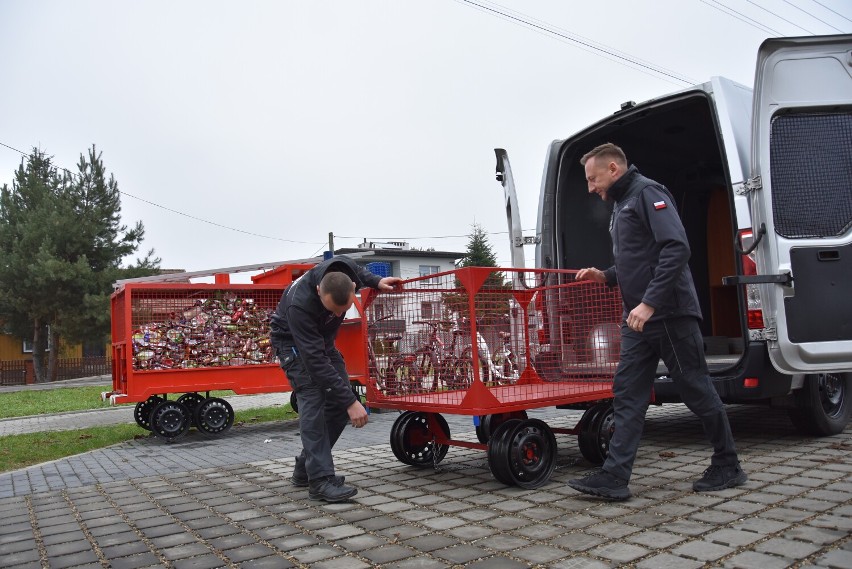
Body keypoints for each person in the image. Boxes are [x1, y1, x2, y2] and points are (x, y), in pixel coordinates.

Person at [567, 142, 746, 501]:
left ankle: (728, 464)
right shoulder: (622, 204)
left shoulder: (648, 193)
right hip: (638, 320)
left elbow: (676, 248)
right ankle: (615, 477)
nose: (590, 187)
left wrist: (649, 303)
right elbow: (639, 260)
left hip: (669, 314)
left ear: (614, 168)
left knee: (696, 389)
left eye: (593, 178)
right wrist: (605, 275)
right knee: (628, 394)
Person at [270, 255, 401, 502]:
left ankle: (305, 469)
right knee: (313, 399)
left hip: (323, 343)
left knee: (339, 408)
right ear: (319, 291)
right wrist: (352, 401)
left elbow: (361, 273)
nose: (337, 315)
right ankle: (319, 481)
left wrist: (377, 280)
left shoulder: (344, 268)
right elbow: (315, 362)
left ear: (353, 289)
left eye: (341, 311)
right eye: (332, 310)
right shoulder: (299, 305)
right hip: (294, 346)